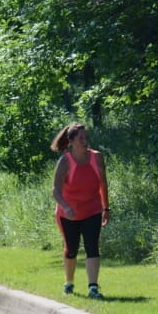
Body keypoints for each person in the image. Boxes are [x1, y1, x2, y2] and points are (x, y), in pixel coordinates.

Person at [51, 123, 110, 299]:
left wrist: (106, 207)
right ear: (71, 141)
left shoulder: (97, 157)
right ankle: (69, 282)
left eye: (86, 138)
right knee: (71, 249)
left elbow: (103, 184)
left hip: (92, 210)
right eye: (81, 138)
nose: (85, 141)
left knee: (92, 247)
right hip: (69, 214)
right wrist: (66, 206)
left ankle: (93, 288)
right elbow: (55, 190)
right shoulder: (65, 161)